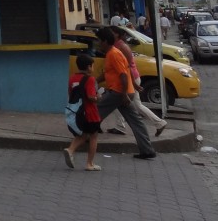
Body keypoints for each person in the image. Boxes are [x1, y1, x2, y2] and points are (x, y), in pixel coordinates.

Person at [94, 27, 156, 159]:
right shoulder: (113, 52)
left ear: (105, 41)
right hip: (124, 92)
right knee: (136, 121)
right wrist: (133, 85)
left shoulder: (113, 54)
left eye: (99, 41)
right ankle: (147, 150)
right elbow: (125, 70)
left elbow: (123, 75)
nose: (98, 44)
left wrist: (124, 95)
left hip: (118, 92)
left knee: (95, 113)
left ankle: (81, 139)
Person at [63, 53, 102, 171]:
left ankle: (70, 150)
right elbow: (91, 96)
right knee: (94, 136)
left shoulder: (72, 78)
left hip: (78, 112)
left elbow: (70, 93)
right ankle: (90, 163)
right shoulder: (90, 79)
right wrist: (98, 97)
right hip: (90, 112)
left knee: (83, 134)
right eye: (92, 66)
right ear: (89, 67)